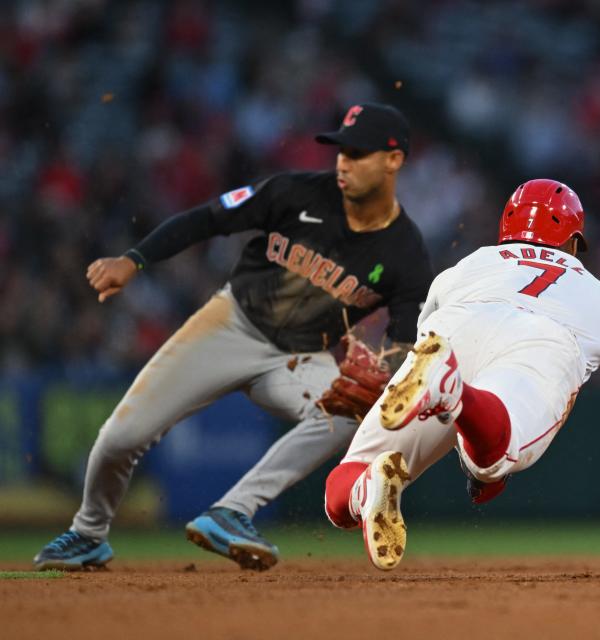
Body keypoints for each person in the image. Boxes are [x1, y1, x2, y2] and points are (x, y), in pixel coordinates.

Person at [34, 103, 433, 571]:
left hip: (299, 357)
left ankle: (232, 511)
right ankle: (88, 534)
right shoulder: (294, 192)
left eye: (359, 152)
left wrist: (390, 374)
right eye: (341, 149)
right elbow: (207, 218)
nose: (343, 161)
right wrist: (135, 259)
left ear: (394, 160)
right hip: (229, 325)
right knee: (120, 438)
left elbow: (406, 340)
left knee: (349, 412)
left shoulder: (406, 253)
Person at [323, 179, 600, 571]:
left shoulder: (465, 266)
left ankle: (367, 490)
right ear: (575, 241)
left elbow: (425, 356)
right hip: (541, 340)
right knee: (491, 460)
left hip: (451, 331)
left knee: (341, 496)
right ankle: (458, 393)